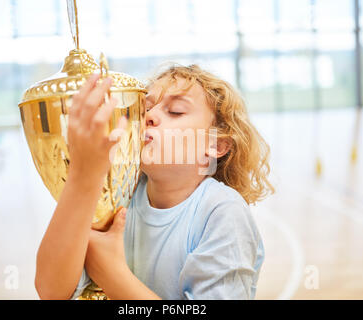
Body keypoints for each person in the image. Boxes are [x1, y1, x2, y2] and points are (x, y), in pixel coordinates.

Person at [34, 64, 274, 300]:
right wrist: (82, 176)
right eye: (145, 108)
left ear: (216, 145)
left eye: (176, 111)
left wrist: (111, 273)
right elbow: (51, 291)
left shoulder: (222, 211)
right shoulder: (119, 197)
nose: (148, 116)